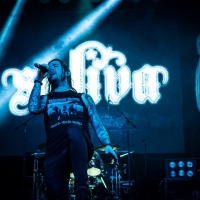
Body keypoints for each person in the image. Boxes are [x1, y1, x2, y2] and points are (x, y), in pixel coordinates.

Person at [28, 58, 118, 200]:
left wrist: (107, 144)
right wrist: (39, 79)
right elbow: (33, 108)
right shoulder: (46, 99)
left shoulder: (83, 97)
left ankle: (82, 190)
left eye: (55, 66)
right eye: (49, 67)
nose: (51, 69)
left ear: (67, 73)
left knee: (73, 130)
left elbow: (96, 122)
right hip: (55, 152)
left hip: (79, 145)